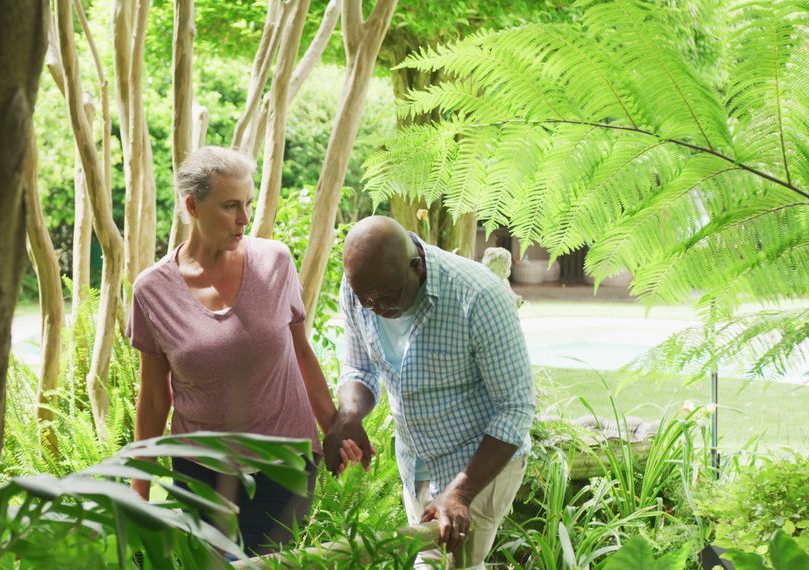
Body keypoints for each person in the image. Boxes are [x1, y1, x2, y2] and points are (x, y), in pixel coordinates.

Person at [126, 146, 343, 556]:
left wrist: (335, 428)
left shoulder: (275, 262)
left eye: (247, 203)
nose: (244, 219)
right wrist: (139, 492)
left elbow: (301, 354)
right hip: (200, 472)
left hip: (285, 466)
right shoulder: (152, 291)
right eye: (230, 206)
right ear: (192, 206)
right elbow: (154, 398)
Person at [323, 216, 535, 569]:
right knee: (432, 562)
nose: (374, 308)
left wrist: (461, 492)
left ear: (416, 267)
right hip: (417, 463)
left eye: (385, 298)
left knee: (452, 566)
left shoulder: (478, 296)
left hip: (480, 462)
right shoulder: (360, 286)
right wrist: (347, 415)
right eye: (366, 300)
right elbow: (360, 368)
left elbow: (515, 408)